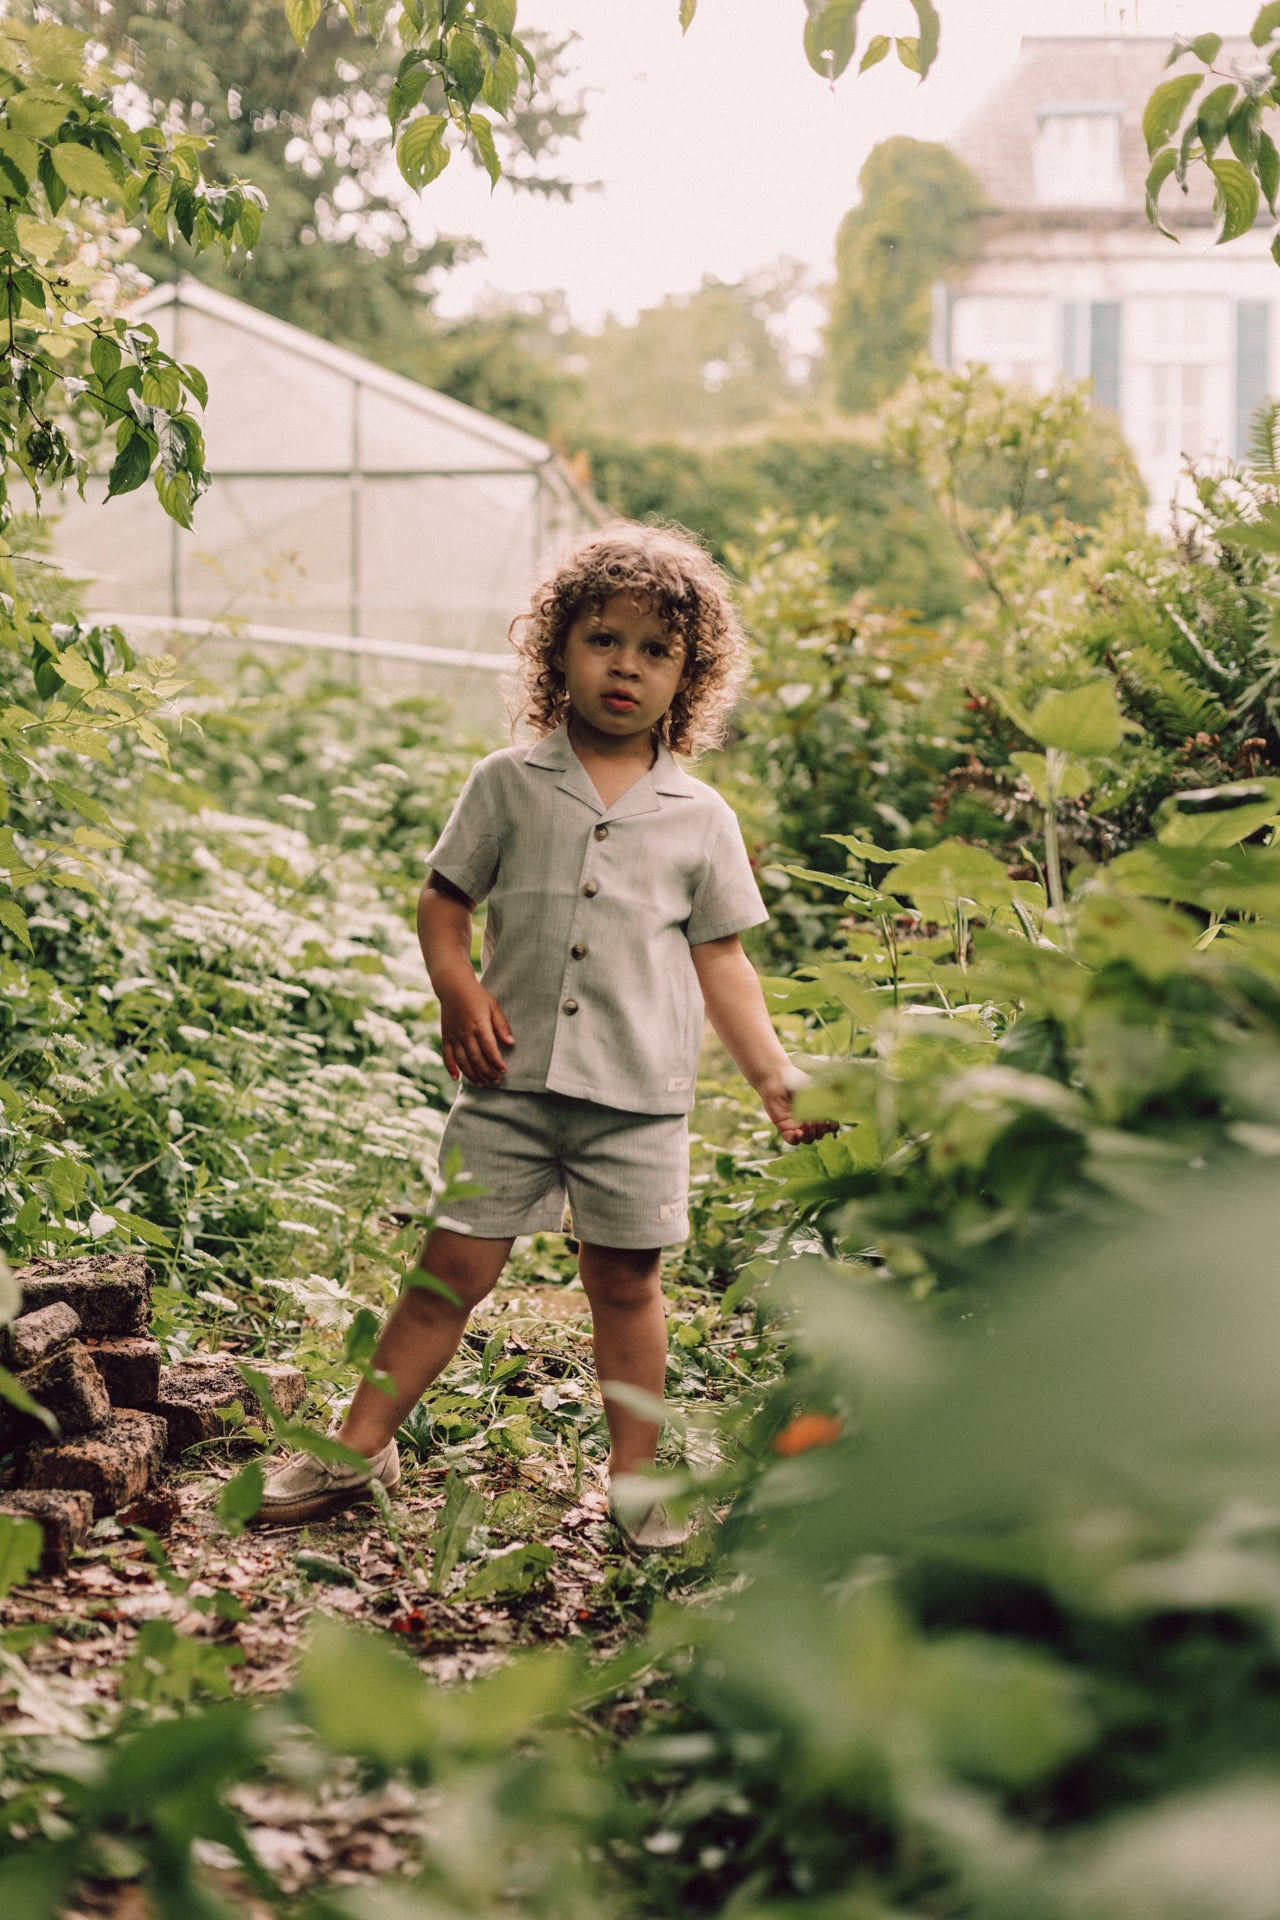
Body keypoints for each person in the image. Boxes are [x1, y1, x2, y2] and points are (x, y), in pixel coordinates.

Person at [251, 522, 831, 1549]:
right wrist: (457, 989)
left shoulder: (700, 817)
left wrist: (772, 1072)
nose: (627, 667)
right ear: (558, 649)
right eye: (605, 639)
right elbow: (443, 901)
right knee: (450, 1271)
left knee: (626, 1286)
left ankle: (636, 1479)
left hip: (637, 1100)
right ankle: (359, 1445)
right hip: (507, 1085)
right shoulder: (507, 784)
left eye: (656, 651)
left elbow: (723, 961)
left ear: (688, 678)